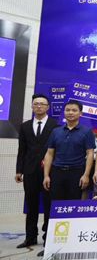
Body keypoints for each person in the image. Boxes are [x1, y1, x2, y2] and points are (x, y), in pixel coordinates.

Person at [42, 100, 95, 256]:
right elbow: (49, 154)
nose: (70, 113)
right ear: (64, 112)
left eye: (74, 110)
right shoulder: (56, 131)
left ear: (80, 113)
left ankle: (70, 243)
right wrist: (46, 175)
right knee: (54, 208)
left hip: (76, 173)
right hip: (57, 173)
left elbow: (90, 154)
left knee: (73, 208)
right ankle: (49, 245)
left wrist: (86, 175)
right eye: (68, 110)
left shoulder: (86, 132)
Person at [15, 94, 59, 249]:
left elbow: (57, 149)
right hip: (30, 170)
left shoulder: (55, 126)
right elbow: (22, 150)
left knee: (48, 204)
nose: (39, 106)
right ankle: (30, 237)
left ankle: (48, 238)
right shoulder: (25, 126)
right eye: (36, 104)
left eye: (42, 104)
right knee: (31, 204)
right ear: (32, 106)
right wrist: (19, 170)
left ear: (48, 107)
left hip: (49, 171)